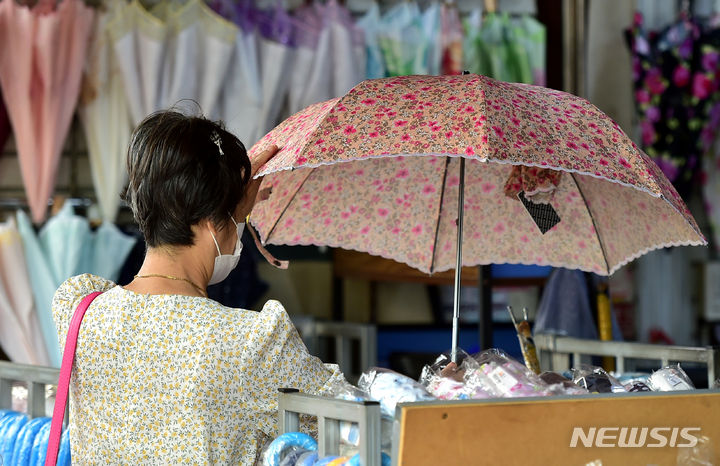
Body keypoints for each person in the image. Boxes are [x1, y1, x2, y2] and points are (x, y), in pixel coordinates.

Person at [52, 111, 346, 465]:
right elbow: (347, 420)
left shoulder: (80, 312)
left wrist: (225, 196)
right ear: (211, 220)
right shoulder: (250, 341)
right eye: (242, 218)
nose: (241, 230)